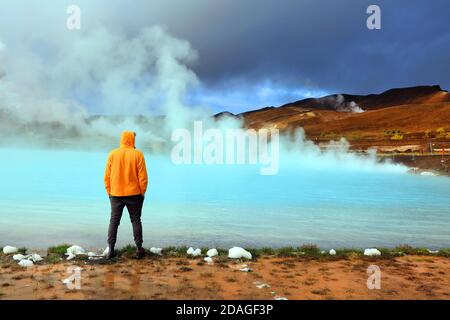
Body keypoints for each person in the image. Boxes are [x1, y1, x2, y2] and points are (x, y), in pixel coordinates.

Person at [104, 131, 148, 259]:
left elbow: (106, 176)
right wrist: (142, 192)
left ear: (122, 140)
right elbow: (143, 177)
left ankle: (111, 250)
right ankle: (139, 249)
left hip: (115, 194)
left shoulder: (112, 154)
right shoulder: (138, 154)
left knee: (114, 221)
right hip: (134, 194)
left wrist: (109, 192)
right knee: (136, 220)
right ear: (132, 140)